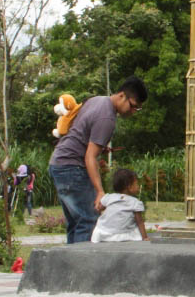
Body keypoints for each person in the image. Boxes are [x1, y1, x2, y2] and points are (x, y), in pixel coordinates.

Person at [48, 75, 148, 244]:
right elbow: (90, 156)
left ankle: (70, 267)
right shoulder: (107, 118)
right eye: (133, 106)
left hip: (58, 163)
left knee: (75, 222)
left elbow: (81, 132)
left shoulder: (97, 100)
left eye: (137, 110)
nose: (132, 112)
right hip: (72, 167)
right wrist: (100, 191)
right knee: (88, 221)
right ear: (122, 95)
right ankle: (82, 269)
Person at [91, 168, 147, 242]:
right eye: (136, 183)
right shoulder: (135, 203)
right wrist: (145, 237)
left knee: (99, 226)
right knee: (135, 230)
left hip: (102, 232)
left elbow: (99, 207)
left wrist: (100, 208)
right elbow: (139, 221)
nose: (138, 186)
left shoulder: (109, 197)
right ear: (129, 186)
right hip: (121, 235)